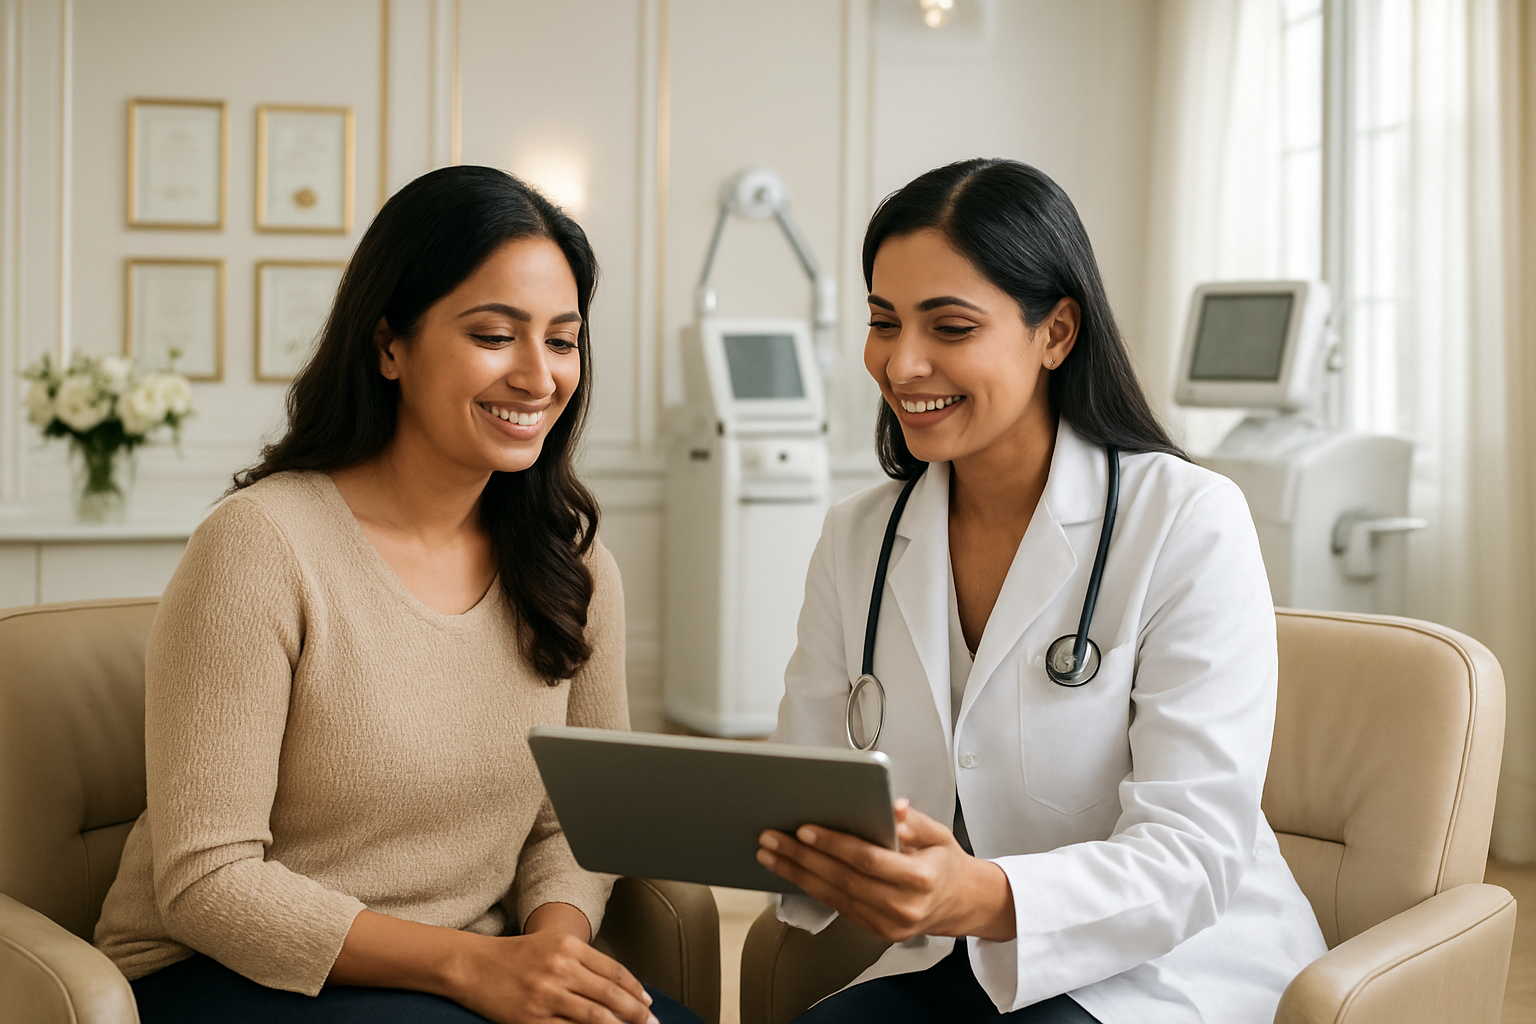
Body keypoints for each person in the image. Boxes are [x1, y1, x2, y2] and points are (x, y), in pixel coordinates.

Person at [94, 165, 701, 1024]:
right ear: (389, 344)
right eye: (496, 335)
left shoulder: (574, 561)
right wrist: (472, 968)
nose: (539, 377)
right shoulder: (260, 546)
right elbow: (208, 883)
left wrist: (551, 954)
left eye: (562, 341)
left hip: (465, 967)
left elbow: (582, 818)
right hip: (227, 972)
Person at [756, 159, 1327, 1023]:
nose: (902, 363)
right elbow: (805, 786)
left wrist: (977, 895)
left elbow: (1194, 850)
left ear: (1056, 332)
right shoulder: (859, 537)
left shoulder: (1188, 521)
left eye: (949, 326)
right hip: (956, 964)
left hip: (1168, 967)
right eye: (883, 321)